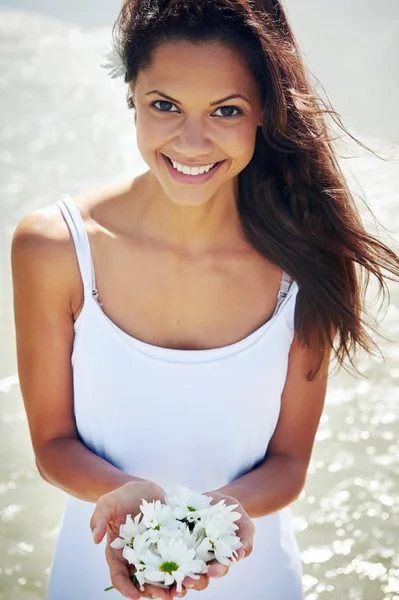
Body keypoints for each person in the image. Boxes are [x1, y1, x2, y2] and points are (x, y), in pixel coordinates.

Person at [11, 1, 399, 599]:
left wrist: (222, 513)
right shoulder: (54, 247)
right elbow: (52, 444)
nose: (192, 141)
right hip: (92, 581)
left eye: (226, 110)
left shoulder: (307, 261)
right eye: (164, 105)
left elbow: (290, 461)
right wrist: (122, 495)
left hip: (258, 582)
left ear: (263, 115)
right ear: (131, 96)